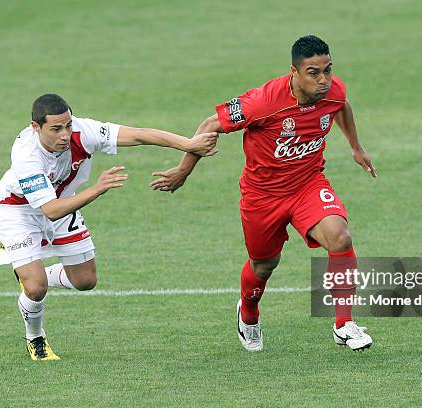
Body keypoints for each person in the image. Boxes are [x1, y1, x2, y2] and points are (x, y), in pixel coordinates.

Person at [151, 35, 376, 352]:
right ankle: (249, 312)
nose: (324, 80)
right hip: (263, 196)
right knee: (264, 264)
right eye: (314, 72)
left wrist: (356, 147)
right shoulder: (262, 102)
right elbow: (209, 125)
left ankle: (343, 324)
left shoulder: (333, 90)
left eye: (328, 70)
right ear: (294, 72)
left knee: (340, 237)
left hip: (308, 183)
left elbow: (341, 106)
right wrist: (184, 169)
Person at [0, 93, 218, 360]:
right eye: (56, 129)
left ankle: (29, 272)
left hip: (64, 201)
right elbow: (50, 212)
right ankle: (35, 337)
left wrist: (187, 143)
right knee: (36, 288)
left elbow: (138, 134)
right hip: (18, 210)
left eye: (68, 126)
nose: (65, 134)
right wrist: (97, 189)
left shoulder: (82, 130)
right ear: (35, 127)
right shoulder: (26, 155)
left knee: (86, 281)